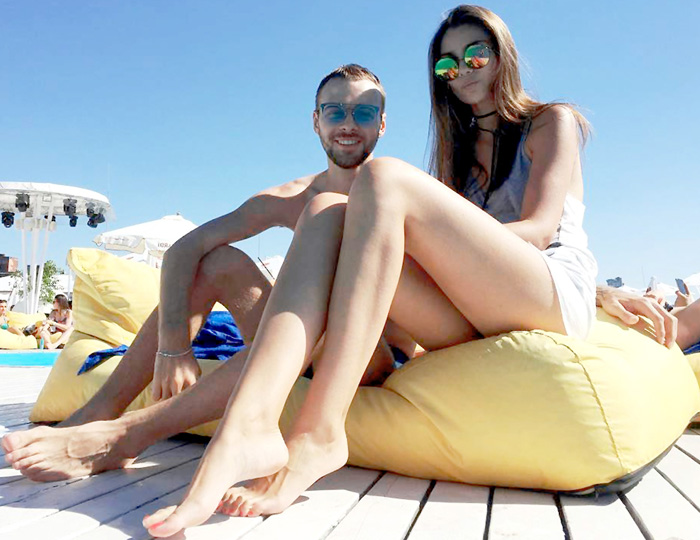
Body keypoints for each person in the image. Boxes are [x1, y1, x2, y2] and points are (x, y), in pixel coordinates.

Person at [135, 5, 600, 536]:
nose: (462, 70)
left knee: (381, 178)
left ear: (501, 55)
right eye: (447, 64)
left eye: (476, 54)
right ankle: (249, 425)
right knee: (326, 212)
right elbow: (458, 255)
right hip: (473, 312)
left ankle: (317, 433)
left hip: (549, 290)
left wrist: (600, 292)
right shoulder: (458, 148)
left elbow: (539, 232)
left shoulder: (552, 121)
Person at [2, 64, 404, 484]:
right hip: (303, 343)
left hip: (371, 354)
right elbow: (184, 249)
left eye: (363, 112)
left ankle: (124, 437)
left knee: (308, 321)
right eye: (335, 111)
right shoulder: (293, 197)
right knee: (218, 262)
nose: (348, 124)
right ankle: (99, 410)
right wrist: (173, 347)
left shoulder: (397, 195)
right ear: (316, 120)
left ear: (382, 123)